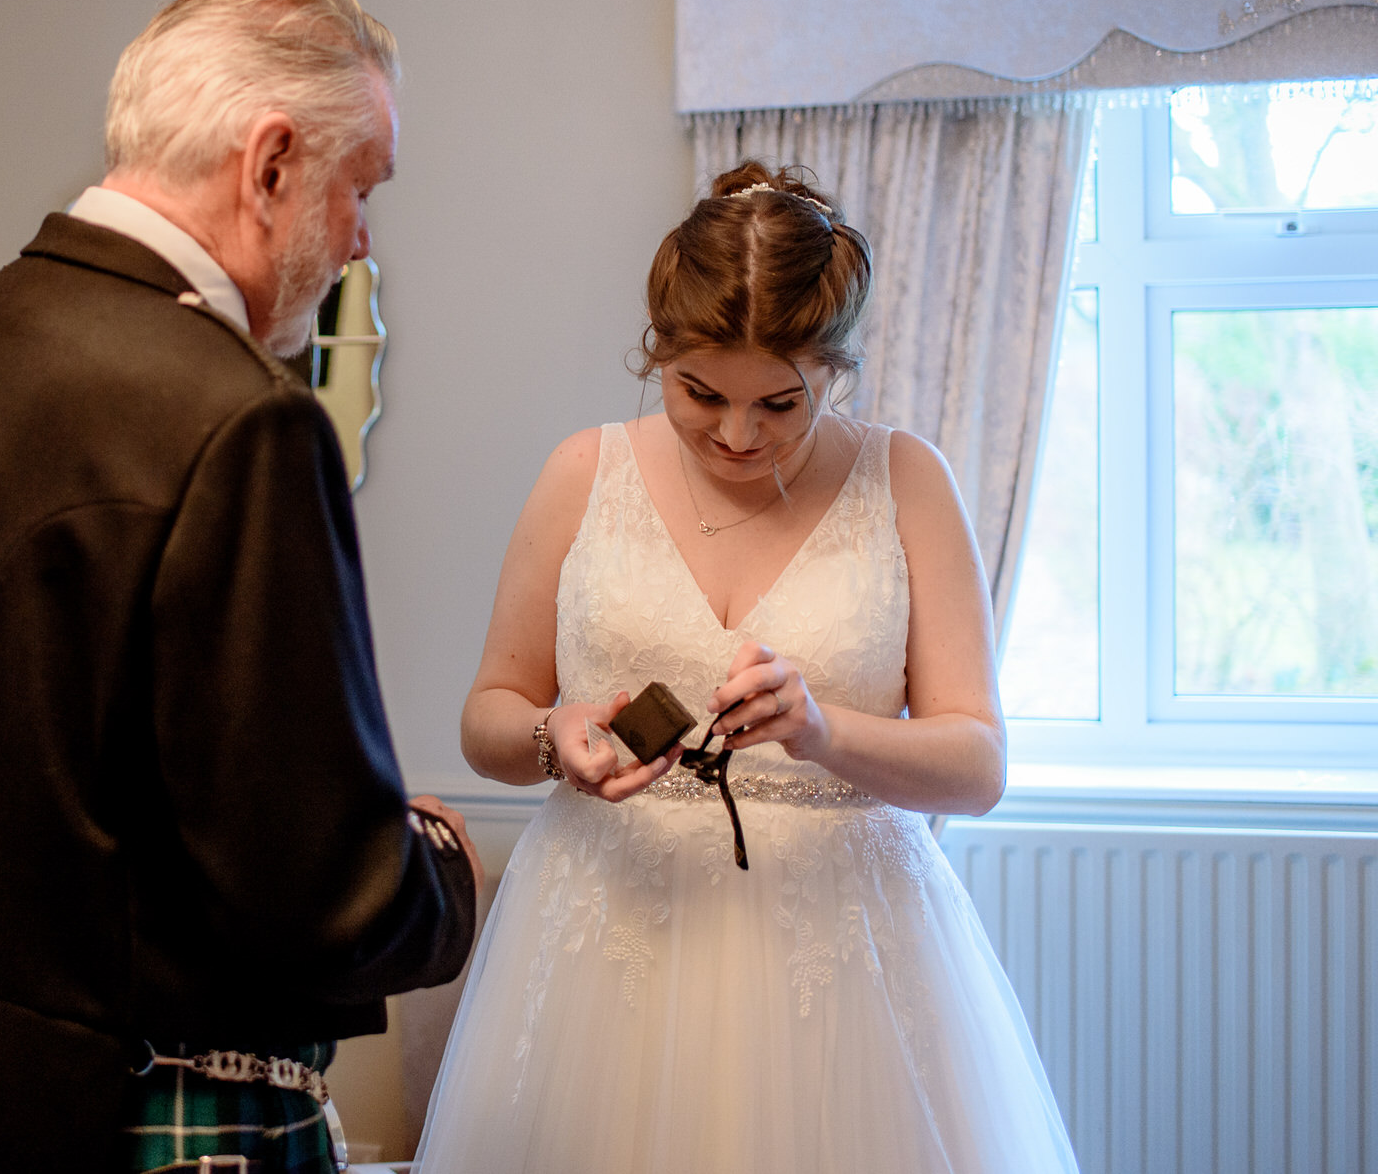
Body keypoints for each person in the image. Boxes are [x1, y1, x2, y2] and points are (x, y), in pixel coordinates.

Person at [0, 0, 481, 1174]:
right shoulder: (239, 417)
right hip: (149, 1120)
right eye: (361, 189)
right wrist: (437, 865)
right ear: (271, 162)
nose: (358, 238)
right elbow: (319, 894)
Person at [412, 163, 1078, 1173]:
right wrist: (556, 735)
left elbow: (978, 765)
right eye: (698, 393)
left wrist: (822, 729)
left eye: (779, 401)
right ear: (657, 351)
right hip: (604, 941)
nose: (735, 433)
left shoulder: (906, 479)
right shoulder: (580, 472)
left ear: (835, 366)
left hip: (846, 966)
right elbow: (487, 717)